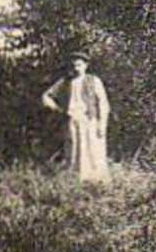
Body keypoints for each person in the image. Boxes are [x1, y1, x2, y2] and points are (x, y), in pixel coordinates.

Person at [42, 53, 111, 183]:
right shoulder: (65, 82)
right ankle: (77, 179)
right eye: (74, 65)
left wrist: (102, 124)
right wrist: (58, 109)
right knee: (74, 149)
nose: (76, 68)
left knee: (94, 149)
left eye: (79, 65)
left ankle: (97, 180)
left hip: (90, 119)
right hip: (72, 119)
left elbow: (103, 103)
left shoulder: (93, 80)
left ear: (85, 65)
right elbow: (46, 96)